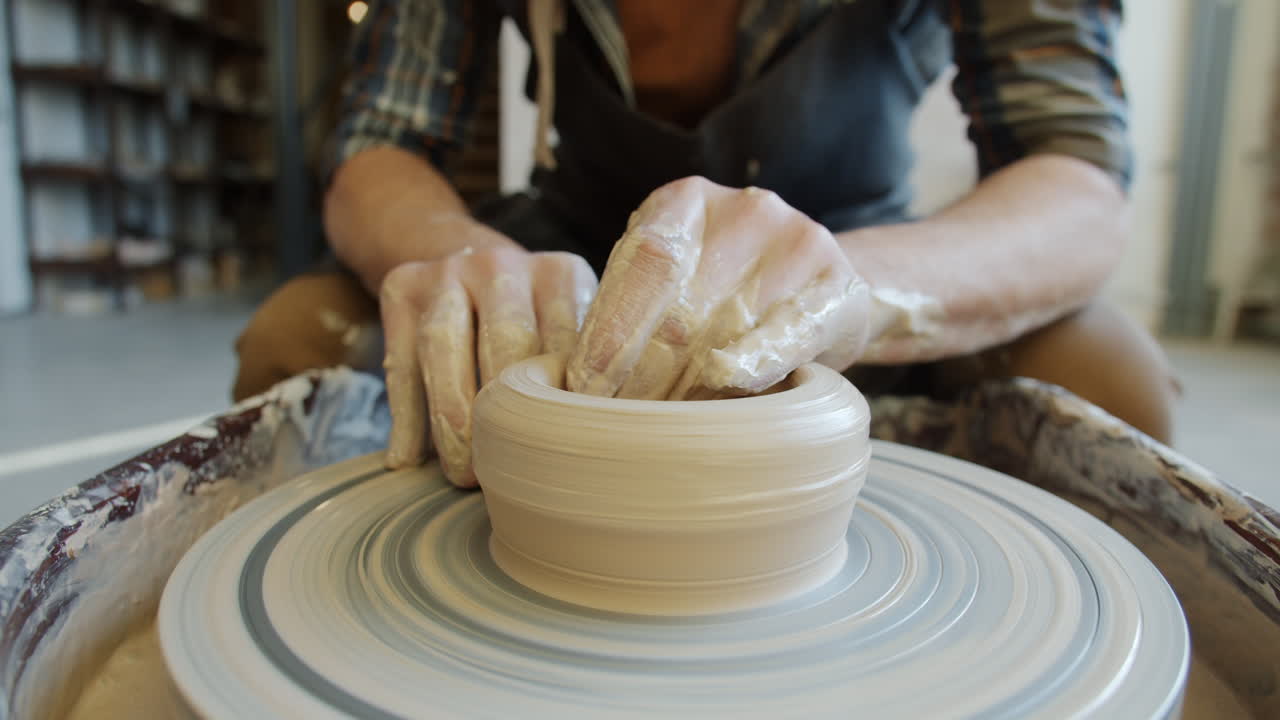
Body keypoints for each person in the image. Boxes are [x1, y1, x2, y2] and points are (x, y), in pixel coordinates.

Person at [234, 0, 1179, 488]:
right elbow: (381, 140)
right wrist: (455, 249)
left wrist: (857, 288)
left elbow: (1078, 175)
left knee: (1107, 381)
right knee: (298, 339)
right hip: (584, 245)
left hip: (862, 245)